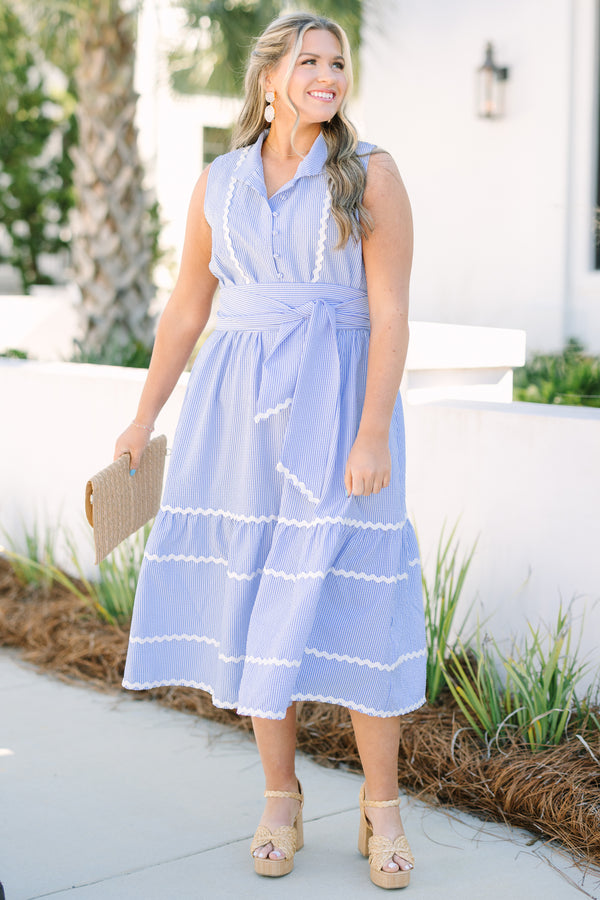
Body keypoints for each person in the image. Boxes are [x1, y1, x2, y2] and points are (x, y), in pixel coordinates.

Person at [115, 11, 426, 890]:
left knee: (360, 602)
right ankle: (279, 801)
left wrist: (372, 432)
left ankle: (382, 809)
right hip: (237, 416)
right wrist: (144, 417)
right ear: (267, 79)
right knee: (257, 599)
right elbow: (186, 308)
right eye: (310, 60)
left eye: (338, 62)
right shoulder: (219, 181)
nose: (328, 75)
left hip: (341, 410)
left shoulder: (368, 174)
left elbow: (392, 313)